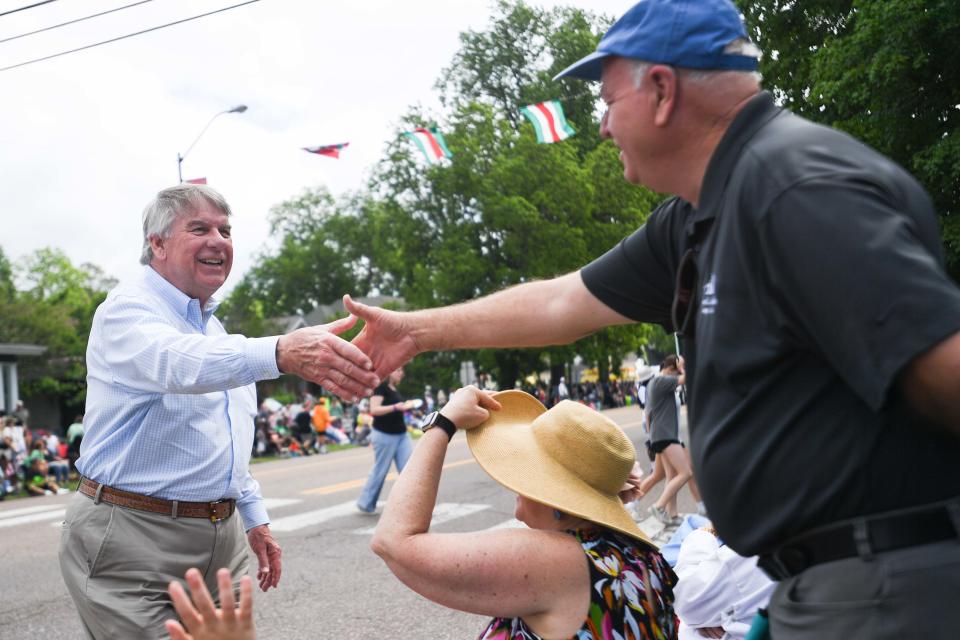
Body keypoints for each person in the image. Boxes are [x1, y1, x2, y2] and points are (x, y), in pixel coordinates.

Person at [344, 1, 960, 636]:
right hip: (824, 578)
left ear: (663, 90)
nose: (604, 127)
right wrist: (417, 330)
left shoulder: (792, 188)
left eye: (608, 101)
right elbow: (561, 303)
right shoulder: (698, 214)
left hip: (881, 583)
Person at [59, 183, 380, 639]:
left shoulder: (214, 328)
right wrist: (282, 350)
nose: (219, 241)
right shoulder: (126, 311)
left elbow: (224, 432)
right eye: (200, 228)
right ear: (157, 243)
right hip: (132, 537)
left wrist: (252, 514)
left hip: (220, 537)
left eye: (226, 231)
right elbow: (177, 363)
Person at [161, 387, 675, 640]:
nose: (515, 492)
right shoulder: (638, 558)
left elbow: (395, 541)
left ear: (555, 496)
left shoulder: (561, 561)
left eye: (524, 475)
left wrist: (442, 424)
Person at [644, 356, 704, 523]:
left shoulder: (653, 383)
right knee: (685, 473)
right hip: (666, 434)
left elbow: (648, 414)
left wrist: (650, 438)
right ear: (671, 368)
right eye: (675, 371)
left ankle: (672, 514)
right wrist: (683, 366)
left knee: (671, 476)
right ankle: (659, 506)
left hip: (659, 435)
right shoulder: (663, 380)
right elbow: (686, 379)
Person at [355, 367, 418, 514]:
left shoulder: (394, 389)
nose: (401, 373)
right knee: (380, 471)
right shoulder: (380, 387)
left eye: (402, 371)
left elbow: (396, 408)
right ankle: (365, 503)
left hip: (402, 434)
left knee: (410, 470)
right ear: (389, 371)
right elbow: (374, 410)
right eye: (398, 370)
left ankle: (412, 506)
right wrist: (396, 407)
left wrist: (404, 406)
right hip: (384, 434)